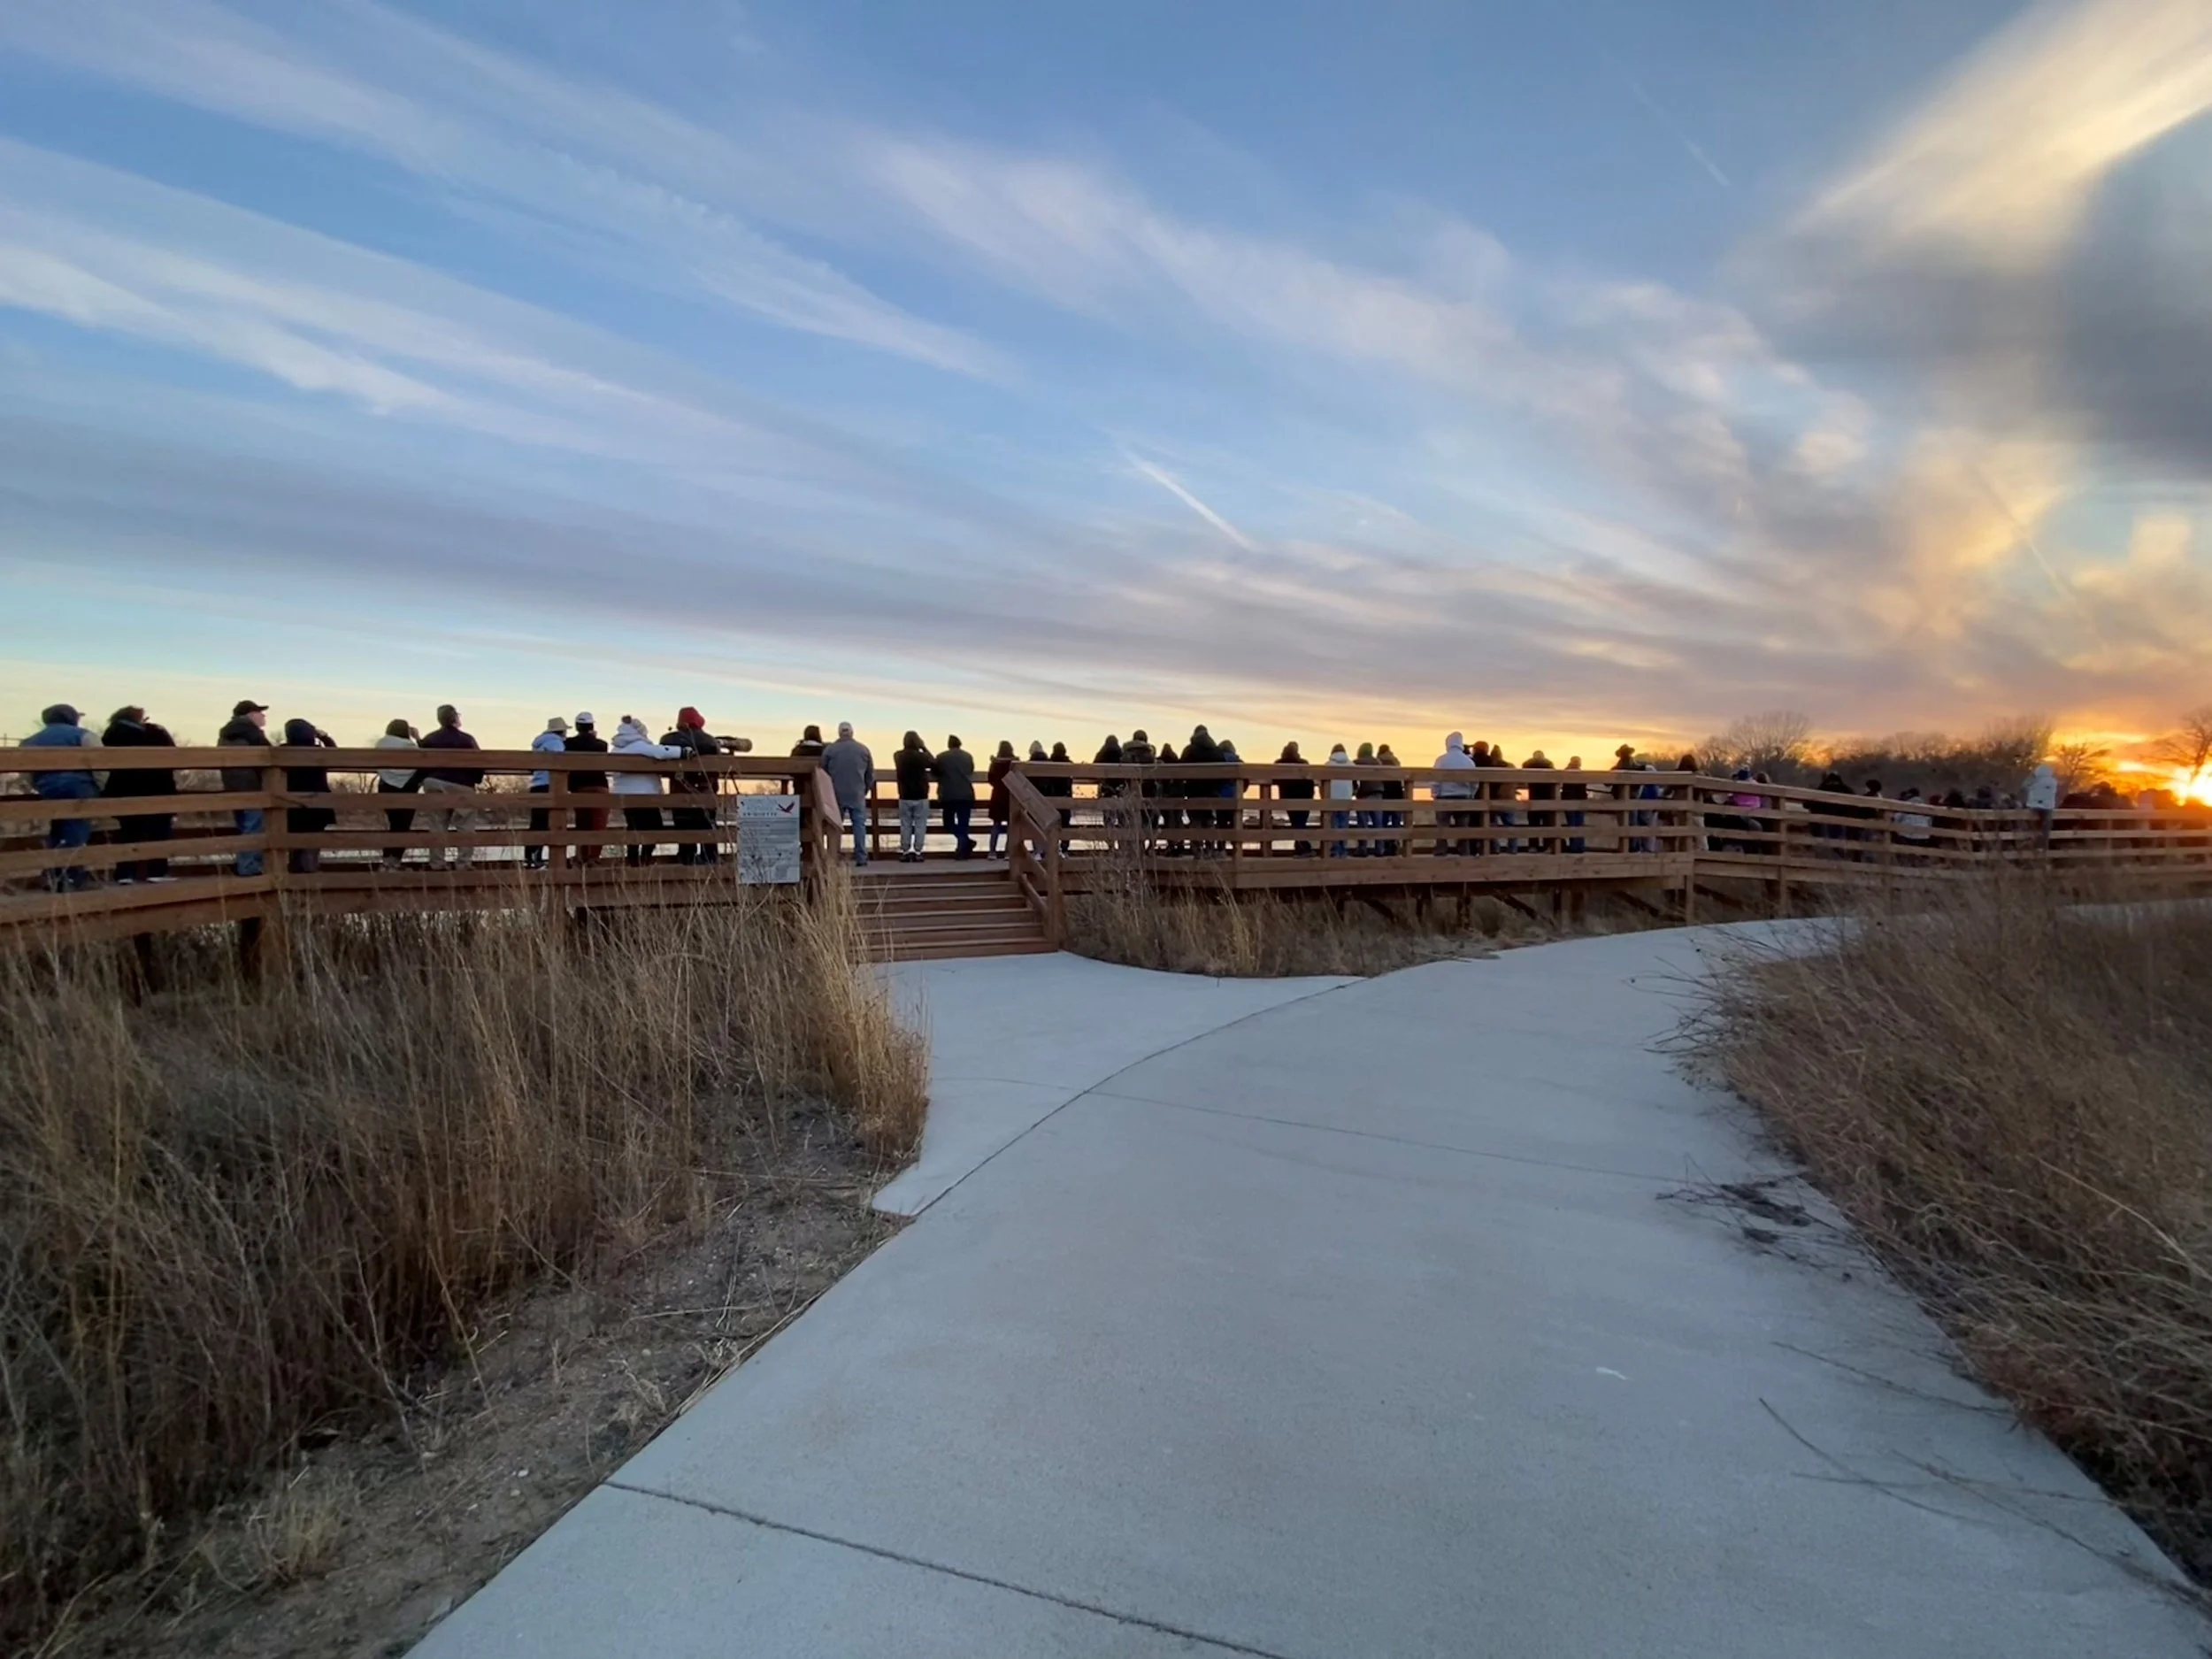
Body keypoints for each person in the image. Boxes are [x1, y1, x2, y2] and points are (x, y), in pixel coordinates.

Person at [22, 703, 101, 891]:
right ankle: (70, 879)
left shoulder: (31, 740)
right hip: (79, 787)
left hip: (48, 787)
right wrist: (101, 788)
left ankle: (52, 876)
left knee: (58, 829)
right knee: (77, 830)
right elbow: (100, 763)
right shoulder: (84, 735)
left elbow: (25, 771)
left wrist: (39, 786)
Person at [102, 705, 178, 884]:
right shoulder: (152, 734)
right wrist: (158, 729)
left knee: (129, 832)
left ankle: (124, 873)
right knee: (159, 830)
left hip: (123, 788)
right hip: (156, 788)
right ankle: (156, 871)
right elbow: (172, 753)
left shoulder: (111, 734)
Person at [418, 704, 484, 871]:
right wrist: (476, 780)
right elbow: (479, 762)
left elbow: (421, 761)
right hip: (461, 784)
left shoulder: (430, 738)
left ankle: (437, 863)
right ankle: (464, 863)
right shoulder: (467, 739)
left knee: (437, 824)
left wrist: (423, 779)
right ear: (455, 718)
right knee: (465, 825)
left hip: (435, 781)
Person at [611, 715, 682, 866]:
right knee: (655, 827)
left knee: (634, 827)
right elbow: (660, 752)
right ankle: (644, 859)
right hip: (644, 795)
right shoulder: (637, 745)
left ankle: (633, 860)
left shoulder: (618, 747)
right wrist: (682, 752)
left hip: (625, 795)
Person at [218, 698, 273, 877]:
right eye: (260, 713)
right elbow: (270, 753)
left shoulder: (227, 732)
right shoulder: (250, 731)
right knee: (254, 827)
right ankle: (249, 868)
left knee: (244, 826)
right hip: (251, 785)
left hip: (233, 785)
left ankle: (245, 865)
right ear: (250, 714)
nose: (263, 716)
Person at [662, 707, 723, 866]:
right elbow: (718, 768)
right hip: (705, 791)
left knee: (684, 827)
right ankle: (709, 859)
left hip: (680, 790)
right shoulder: (710, 741)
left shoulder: (669, 740)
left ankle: (686, 859)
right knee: (708, 827)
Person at [282, 717, 338, 873]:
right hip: (317, 803)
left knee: (294, 840)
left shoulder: (283, 751)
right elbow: (336, 755)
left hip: (291, 802)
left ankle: (295, 871)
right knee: (313, 841)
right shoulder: (317, 751)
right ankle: (310, 872)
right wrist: (324, 737)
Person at [819, 721, 876, 865]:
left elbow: (823, 771)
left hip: (835, 793)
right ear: (852, 732)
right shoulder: (863, 749)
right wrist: (864, 789)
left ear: (839, 733)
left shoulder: (830, 750)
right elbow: (870, 774)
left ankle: (834, 856)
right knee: (859, 825)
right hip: (857, 793)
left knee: (835, 825)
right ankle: (861, 857)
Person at [565, 713, 611, 865]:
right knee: (599, 823)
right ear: (592, 726)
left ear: (577, 726)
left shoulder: (569, 743)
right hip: (599, 785)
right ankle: (594, 858)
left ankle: (581, 857)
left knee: (582, 823)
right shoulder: (601, 745)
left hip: (580, 787)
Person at [376, 718, 421, 868]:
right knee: (402, 826)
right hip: (407, 789)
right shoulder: (410, 746)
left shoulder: (381, 744)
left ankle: (387, 860)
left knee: (394, 824)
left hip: (385, 787)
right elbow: (424, 758)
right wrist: (418, 738)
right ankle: (393, 861)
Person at [524, 716, 568, 870]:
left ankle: (529, 857)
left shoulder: (538, 743)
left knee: (536, 823)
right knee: (548, 823)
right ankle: (539, 858)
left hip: (536, 785)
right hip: (550, 785)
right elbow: (561, 759)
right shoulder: (555, 742)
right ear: (561, 731)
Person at [1431, 733, 1476, 856]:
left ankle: (1441, 851)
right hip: (1464, 797)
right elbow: (1474, 782)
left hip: (1444, 797)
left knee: (1442, 827)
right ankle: (1464, 852)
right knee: (1463, 828)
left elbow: (1435, 779)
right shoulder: (1468, 762)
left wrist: (1435, 793)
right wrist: (1471, 794)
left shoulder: (1441, 760)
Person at [934, 734, 977, 858]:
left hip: (948, 794)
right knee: (963, 823)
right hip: (966, 794)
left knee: (948, 823)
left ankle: (964, 845)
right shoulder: (968, 756)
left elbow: (936, 772)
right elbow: (970, 771)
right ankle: (963, 847)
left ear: (949, 744)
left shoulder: (941, 757)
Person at [893, 732, 933, 862]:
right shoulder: (922, 757)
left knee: (905, 824)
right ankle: (918, 851)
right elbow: (934, 763)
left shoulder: (898, 755)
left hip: (904, 794)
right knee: (920, 824)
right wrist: (924, 747)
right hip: (921, 795)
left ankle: (905, 851)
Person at [1279, 740, 1317, 856]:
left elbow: (1274, 779)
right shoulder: (1303, 763)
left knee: (1296, 823)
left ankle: (1301, 849)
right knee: (1300, 823)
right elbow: (1310, 780)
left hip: (1288, 797)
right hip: (1304, 797)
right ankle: (1304, 849)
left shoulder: (1280, 763)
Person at [987, 740, 1016, 859]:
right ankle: (1008, 852)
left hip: (997, 795)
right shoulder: (1014, 763)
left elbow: (990, 779)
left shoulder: (995, 763)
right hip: (1011, 796)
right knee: (1011, 826)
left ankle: (992, 852)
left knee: (996, 825)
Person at [1524, 749, 1557, 852]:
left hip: (1534, 796)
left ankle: (1533, 846)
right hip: (1547, 797)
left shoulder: (1528, 764)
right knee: (1548, 824)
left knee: (1533, 824)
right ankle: (1547, 846)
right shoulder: (1549, 764)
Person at [1375, 742, 1405, 856]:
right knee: (1396, 823)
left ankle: (1384, 846)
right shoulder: (1395, 761)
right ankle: (1395, 845)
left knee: (1383, 822)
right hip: (1397, 794)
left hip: (1385, 794)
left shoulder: (1378, 761)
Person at [1325, 741, 1354, 856]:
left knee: (1334, 824)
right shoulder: (1351, 765)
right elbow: (1357, 782)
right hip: (1346, 798)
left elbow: (1321, 782)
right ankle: (1343, 849)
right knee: (1344, 824)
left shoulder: (1328, 765)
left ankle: (1335, 849)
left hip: (1332, 798)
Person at [2024, 762, 2060, 851]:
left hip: (2034, 805)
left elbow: (2024, 787)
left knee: (2034, 826)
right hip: (2048, 807)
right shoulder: (2053, 782)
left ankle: (2032, 844)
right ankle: (2041, 846)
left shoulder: (2034, 781)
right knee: (2045, 827)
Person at [1562, 757, 1588, 853]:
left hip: (1569, 801)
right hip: (1579, 801)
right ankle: (1579, 847)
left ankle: (1574, 847)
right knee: (1579, 824)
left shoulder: (1566, 772)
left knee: (1572, 824)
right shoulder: (1581, 773)